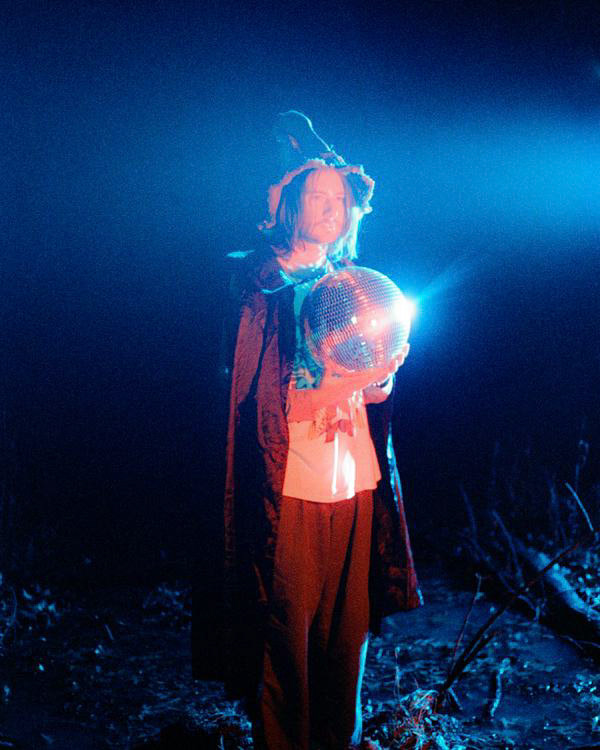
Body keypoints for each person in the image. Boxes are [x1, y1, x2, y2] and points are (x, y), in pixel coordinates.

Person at [222, 112, 422, 750]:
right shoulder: (259, 286)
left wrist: (383, 377)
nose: (333, 208)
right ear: (287, 203)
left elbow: (366, 392)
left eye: (340, 198)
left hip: (354, 482)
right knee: (288, 637)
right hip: (294, 490)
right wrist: (344, 384)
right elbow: (263, 409)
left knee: (347, 634)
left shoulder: (350, 284)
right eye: (318, 196)